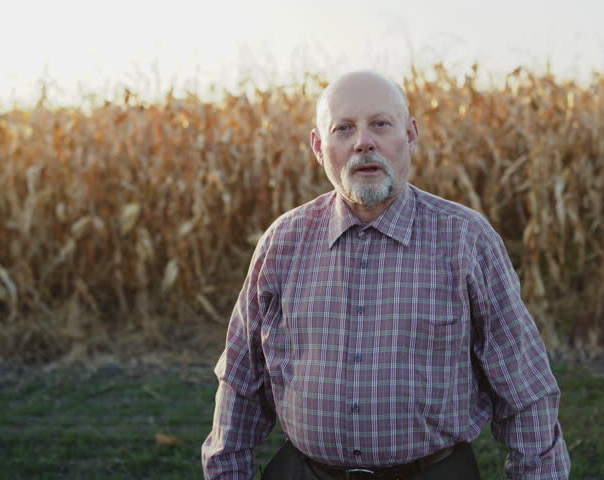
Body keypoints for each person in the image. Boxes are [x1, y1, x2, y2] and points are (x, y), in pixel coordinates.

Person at [202, 70, 570, 479]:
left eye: (380, 124)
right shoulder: (283, 242)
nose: (363, 141)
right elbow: (240, 382)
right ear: (319, 146)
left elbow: (525, 388)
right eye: (344, 128)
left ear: (410, 135)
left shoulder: (465, 239)